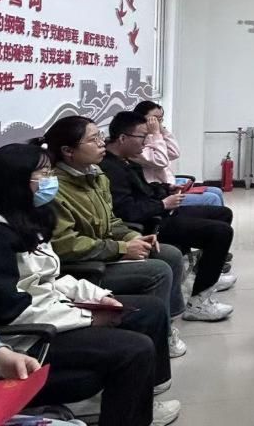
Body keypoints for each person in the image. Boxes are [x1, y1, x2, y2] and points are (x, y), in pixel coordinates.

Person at [0, 144, 180, 426]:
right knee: (135, 349)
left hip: (42, 313)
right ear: (15, 182)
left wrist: (99, 297)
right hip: (16, 340)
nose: (51, 180)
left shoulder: (22, 219)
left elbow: (49, 277)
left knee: (148, 309)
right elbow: (7, 312)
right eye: (43, 174)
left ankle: (142, 400)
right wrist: (88, 317)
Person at [41, 116, 188, 359]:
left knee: (168, 253)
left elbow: (112, 221)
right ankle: (150, 340)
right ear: (68, 151)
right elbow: (66, 245)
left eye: (100, 136)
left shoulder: (96, 175)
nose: (102, 143)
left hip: (103, 250)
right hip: (82, 265)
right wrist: (121, 248)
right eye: (93, 139)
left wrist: (133, 236)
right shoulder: (56, 189)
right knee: (158, 270)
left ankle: (165, 326)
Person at [101, 111, 235, 322]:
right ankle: (198, 303)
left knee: (222, 214)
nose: (146, 142)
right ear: (123, 138)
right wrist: (162, 204)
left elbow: (143, 190)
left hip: (158, 211)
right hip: (149, 225)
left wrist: (165, 189)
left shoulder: (126, 161)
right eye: (142, 137)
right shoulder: (110, 168)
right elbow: (126, 211)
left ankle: (205, 275)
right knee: (220, 232)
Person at [132, 101, 225, 208]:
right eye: (154, 119)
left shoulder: (152, 136)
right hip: (159, 193)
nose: (157, 123)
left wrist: (161, 130)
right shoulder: (136, 143)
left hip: (169, 186)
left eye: (160, 119)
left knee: (217, 191)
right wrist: (156, 134)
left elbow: (174, 153)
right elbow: (160, 161)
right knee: (213, 198)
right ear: (140, 118)